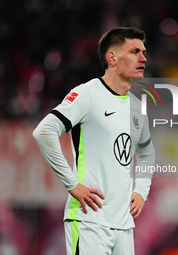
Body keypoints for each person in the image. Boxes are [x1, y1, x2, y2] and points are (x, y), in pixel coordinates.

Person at [33, 27, 155, 255]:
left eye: (143, 51)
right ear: (112, 58)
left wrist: (141, 190)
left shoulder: (138, 107)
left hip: (124, 225)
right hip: (90, 221)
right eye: (135, 51)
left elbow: (147, 153)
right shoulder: (87, 94)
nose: (143, 58)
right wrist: (71, 184)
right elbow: (44, 131)